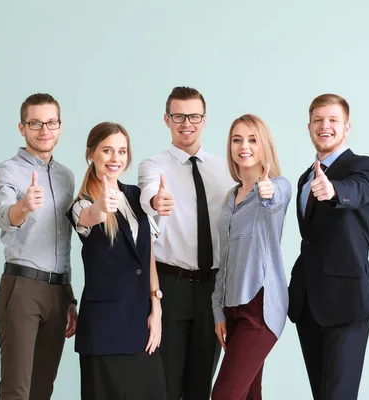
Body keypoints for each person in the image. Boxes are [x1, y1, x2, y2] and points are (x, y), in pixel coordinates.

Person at [138, 86, 233, 400]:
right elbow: (149, 194)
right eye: (178, 116)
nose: (186, 123)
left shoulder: (225, 168)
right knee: (166, 382)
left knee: (201, 384)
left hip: (213, 289)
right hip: (171, 285)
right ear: (167, 119)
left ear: (204, 120)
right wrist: (157, 200)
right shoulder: (154, 165)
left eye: (193, 116)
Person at [287, 94, 369, 400]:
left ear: (346, 127)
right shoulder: (304, 178)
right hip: (309, 305)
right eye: (317, 120)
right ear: (310, 126)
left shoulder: (363, 167)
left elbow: (360, 190)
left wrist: (334, 190)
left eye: (332, 120)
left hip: (346, 301)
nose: (324, 126)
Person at [67, 122, 166, 400]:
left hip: (142, 325)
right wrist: (100, 207)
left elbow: (148, 257)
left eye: (121, 151)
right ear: (91, 155)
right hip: (104, 331)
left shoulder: (136, 197)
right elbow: (89, 218)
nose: (115, 158)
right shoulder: (82, 204)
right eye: (107, 150)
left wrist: (156, 306)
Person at [0, 93, 77, 400]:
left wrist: (70, 298)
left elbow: (65, 240)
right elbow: (3, 214)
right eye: (35, 123)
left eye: (51, 122)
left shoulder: (67, 176)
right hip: (23, 286)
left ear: (60, 126)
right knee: (17, 390)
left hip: (59, 292)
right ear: (22, 127)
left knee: (42, 390)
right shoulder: (9, 170)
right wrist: (24, 207)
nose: (44, 130)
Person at [211, 114, 291, 400]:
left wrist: (267, 191)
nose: (244, 146)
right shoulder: (230, 198)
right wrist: (218, 311)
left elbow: (276, 197)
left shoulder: (277, 186)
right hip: (232, 308)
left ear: (264, 146)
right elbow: (225, 260)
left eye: (252, 139)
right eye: (237, 139)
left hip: (260, 309)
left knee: (224, 395)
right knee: (248, 395)